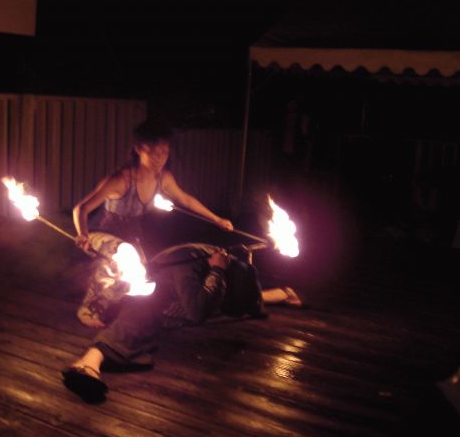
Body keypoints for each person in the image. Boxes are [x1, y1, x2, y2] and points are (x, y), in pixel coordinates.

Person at [62, 241, 303, 403]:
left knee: (223, 306)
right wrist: (217, 271)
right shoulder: (191, 268)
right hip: (156, 298)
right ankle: (87, 366)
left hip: (174, 297)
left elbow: (235, 300)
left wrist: (278, 294)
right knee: (132, 323)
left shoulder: (221, 266)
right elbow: (199, 311)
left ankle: (280, 293)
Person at [73, 120, 234, 327]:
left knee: (142, 271)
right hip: (100, 234)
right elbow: (81, 208)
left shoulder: (163, 178)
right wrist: (83, 235)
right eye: (154, 152)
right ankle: (88, 310)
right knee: (121, 253)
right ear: (138, 149)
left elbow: (185, 199)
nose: (160, 158)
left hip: (131, 240)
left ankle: (115, 306)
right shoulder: (121, 179)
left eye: (164, 152)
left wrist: (216, 219)